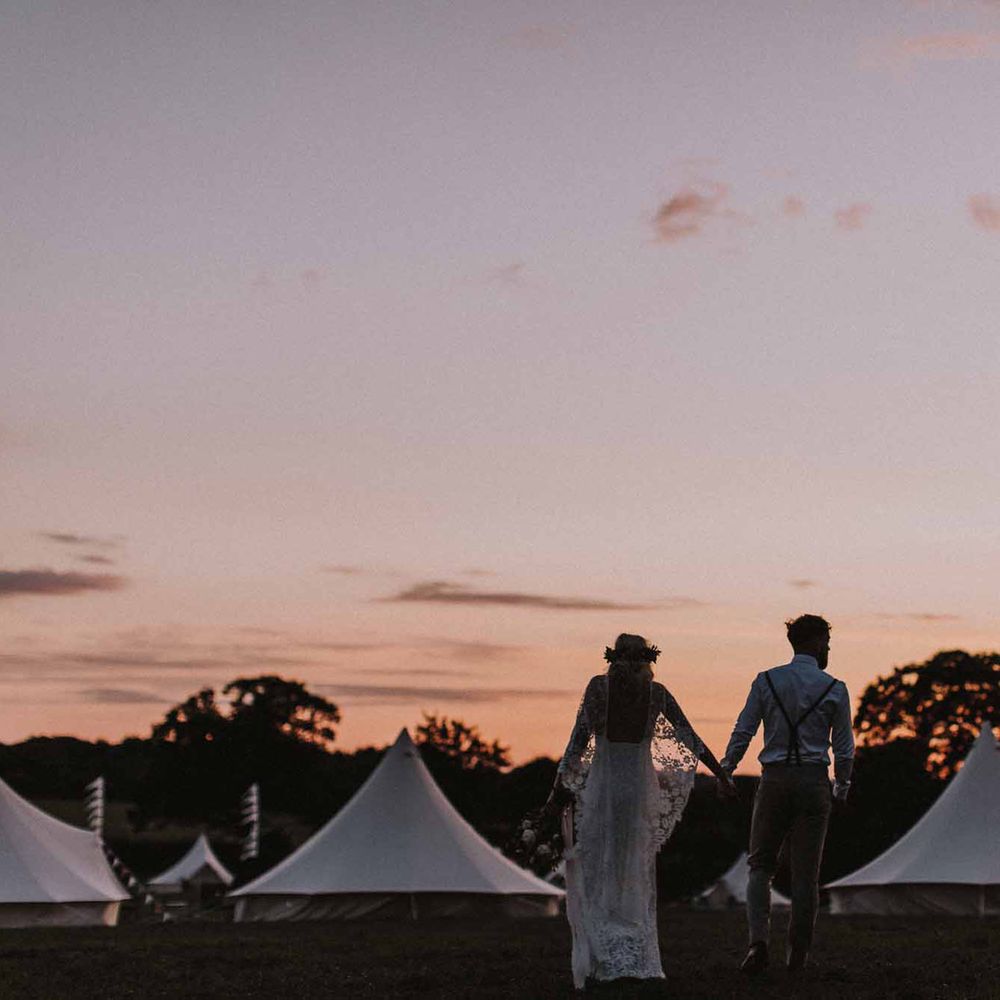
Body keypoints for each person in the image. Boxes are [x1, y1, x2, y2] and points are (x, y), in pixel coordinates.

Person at [544, 633, 734, 990]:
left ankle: (604, 952)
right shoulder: (656, 693)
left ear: (613, 657)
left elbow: (577, 743)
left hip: (605, 782)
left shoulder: (599, 689)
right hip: (637, 785)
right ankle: (631, 950)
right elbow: (689, 738)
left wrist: (555, 794)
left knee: (601, 862)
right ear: (647, 659)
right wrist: (721, 774)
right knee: (633, 864)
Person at [720, 614, 854, 975]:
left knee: (760, 865)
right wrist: (842, 787)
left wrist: (726, 769)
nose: (828, 648)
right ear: (814, 642)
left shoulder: (767, 681)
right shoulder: (835, 688)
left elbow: (744, 729)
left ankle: (757, 944)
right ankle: (797, 957)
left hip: (775, 781)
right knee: (805, 876)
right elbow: (844, 750)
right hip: (813, 783)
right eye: (826, 641)